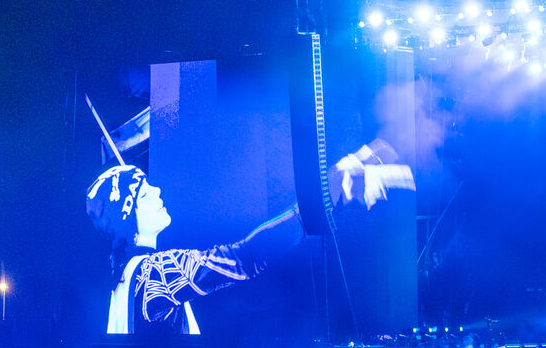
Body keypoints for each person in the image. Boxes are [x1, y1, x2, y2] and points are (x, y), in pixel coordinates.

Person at [86, 140, 412, 335]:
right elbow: (245, 258)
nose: (156, 190)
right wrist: (318, 201)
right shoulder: (157, 270)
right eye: (144, 192)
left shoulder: (122, 277)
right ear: (128, 216)